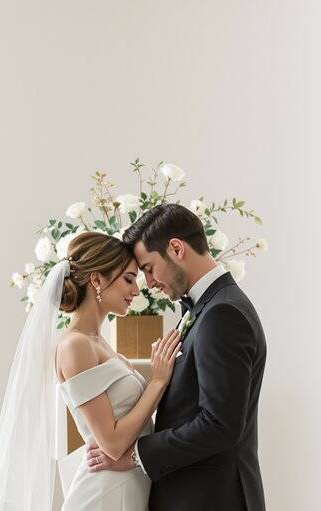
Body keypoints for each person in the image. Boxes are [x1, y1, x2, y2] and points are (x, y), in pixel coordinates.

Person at [0, 231, 179, 510]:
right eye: (128, 279)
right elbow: (112, 443)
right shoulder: (75, 346)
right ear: (96, 279)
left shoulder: (100, 344)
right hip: (107, 493)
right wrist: (156, 382)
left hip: (128, 487)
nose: (136, 291)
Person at [85, 203, 268, 511]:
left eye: (148, 269)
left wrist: (135, 455)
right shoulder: (208, 307)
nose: (150, 284)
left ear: (176, 248)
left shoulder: (221, 313)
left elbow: (219, 424)